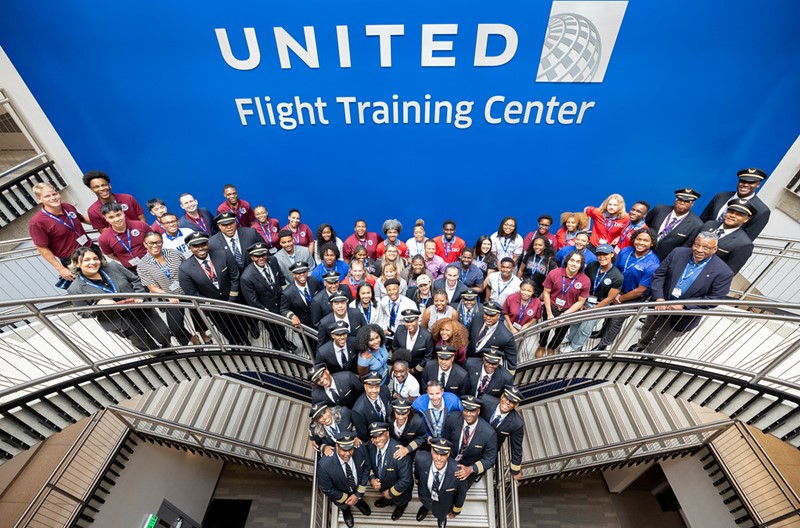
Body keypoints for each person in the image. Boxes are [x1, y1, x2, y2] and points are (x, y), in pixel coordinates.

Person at [630, 232, 734, 354]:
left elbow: (714, 299)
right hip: (660, 303)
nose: (699, 250)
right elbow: (659, 275)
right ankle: (642, 344)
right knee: (649, 327)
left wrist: (684, 306)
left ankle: (649, 355)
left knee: (663, 338)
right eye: (697, 245)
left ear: (715, 249)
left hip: (683, 315)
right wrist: (659, 298)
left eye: (706, 248)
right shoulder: (678, 253)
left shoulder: (723, 272)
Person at [68, 246, 173, 351]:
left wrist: (139, 295)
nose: (93, 262)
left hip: (140, 307)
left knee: (163, 333)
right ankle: (159, 356)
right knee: (144, 343)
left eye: (95, 258)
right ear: (77, 264)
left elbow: (135, 280)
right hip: (119, 320)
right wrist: (98, 306)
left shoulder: (113, 267)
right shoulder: (75, 289)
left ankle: (169, 350)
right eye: (87, 260)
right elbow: (83, 312)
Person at [178, 231, 250, 346]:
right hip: (212, 307)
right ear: (190, 247)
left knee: (242, 324)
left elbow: (235, 276)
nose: (200, 248)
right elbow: (192, 294)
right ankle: (235, 345)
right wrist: (214, 305)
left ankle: (246, 342)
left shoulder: (223, 254)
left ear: (208, 244)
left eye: (203, 244)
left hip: (234, 301)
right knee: (226, 329)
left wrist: (231, 299)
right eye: (195, 246)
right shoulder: (185, 269)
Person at [595, 228, 661, 351]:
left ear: (651, 243)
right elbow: (615, 270)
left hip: (634, 297)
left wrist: (620, 298)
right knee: (609, 313)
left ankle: (603, 345)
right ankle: (601, 332)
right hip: (617, 290)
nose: (641, 242)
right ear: (633, 239)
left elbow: (640, 290)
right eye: (638, 239)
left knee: (616, 319)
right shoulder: (625, 251)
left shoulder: (653, 263)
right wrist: (615, 292)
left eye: (645, 240)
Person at [136, 231, 199, 346]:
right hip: (170, 296)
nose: (155, 246)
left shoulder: (174, 253)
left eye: (158, 242)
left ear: (162, 242)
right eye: (151, 243)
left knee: (200, 317)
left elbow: (189, 269)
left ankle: (204, 336)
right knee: (175, 327)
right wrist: (168, 296)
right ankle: (193, 339)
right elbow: (152, 287)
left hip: (189, 290)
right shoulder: (142, 265)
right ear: (145, 244)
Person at [561, 244, 623, 352]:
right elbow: (583, 281)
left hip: (599, 305)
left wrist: (594, 309)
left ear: (612, 255)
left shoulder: (617, 276)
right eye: (599, 254)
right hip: (584, 300)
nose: (602, 257)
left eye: (605, 254)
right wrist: (582, 302)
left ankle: (575, 346)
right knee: (575, 322)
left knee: (585, 328)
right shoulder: (592, 265)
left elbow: (609, 299)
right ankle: (571, 337)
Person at [29, 182, 93, 282]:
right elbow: (42, 248)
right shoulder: (37, 222)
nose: (53, 198)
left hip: (90, 249)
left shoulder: (68, 207)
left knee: (109, 278)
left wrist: (108, 224)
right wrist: (60, 268)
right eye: (47, 196)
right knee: (93, 288)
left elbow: (82, 218)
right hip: (73, 259)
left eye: (54, 194)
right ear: (39, 199)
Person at [240, 241, 296, 351]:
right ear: (252, 257)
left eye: (263, 255)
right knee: (274, 330)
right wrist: (265, 312)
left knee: (282, 328)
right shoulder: (246, 277)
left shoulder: (273, 260)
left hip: (280, 302)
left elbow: (280, 277)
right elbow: (252, 301)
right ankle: (278, 348)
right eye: (257, 256)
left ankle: (284, 342)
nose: (261, 258)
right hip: (267, 309)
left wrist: (285, 297)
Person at [537, 251, 590, 357]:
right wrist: (549, 313)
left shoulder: (585, 280)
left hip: (568, 311)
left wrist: (565, 314)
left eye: (578, 262)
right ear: (567, 261)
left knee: (561, 332)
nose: (574, 264)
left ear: (581, 265)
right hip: (551, 307)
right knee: (544, 329)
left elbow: (581, 301)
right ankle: (542, 345)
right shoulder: (554, 273)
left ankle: (552, 347)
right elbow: (546, 292)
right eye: (572, 260)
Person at [316, 431, 372, 528]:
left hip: (357, 487)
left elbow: (367, 467)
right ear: (337, 446)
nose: (347, 454)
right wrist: (346, 498)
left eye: (350, 449)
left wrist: (357, 494)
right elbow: (326, 489)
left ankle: (359, 503)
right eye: (343, 450)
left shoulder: (360, 448)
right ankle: (346, 512)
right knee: (344, 506)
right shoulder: (324, 465)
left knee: (359, 499)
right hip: (340, 494)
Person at [700, 167, 771, 241]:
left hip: (723, 249)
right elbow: (703, 220)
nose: (745, 185)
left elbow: (747, 239)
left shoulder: (762, 210)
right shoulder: (721, 196)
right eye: (743, 181)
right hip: (700, 241)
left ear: (758, 185)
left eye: (751, 182)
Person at [443, 395, 497, 488]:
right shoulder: (452, 418)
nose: (468, 414)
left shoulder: (489, 433)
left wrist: (471, 469)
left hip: (470, 469)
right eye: (466, 410)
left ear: (478, 411)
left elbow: (489, 459)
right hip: (449, 462)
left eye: (472, 411)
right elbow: (445, 439)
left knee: (460, 491)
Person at [414, 438, 468, 528]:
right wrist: (417, 482)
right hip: (425, 496)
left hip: (444, 503)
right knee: (426, 503)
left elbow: (461, 494)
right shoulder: (420, 459)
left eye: (443, 454)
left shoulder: (458, 471)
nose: (439, 458)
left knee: (442, 512)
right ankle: (426, 508)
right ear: (431, 450)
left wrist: (456, 511)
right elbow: (417, 475)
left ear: (448, 454)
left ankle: (442, 518)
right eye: (436, 453)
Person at [366, 421, 413, 521]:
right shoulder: (371, 446)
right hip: (383, 487)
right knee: (387, 497)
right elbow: (369, 465)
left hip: (400, 492)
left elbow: (406, 480)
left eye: (380, 435)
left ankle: (400, 507)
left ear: (387, 433)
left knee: (401, 502)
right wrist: (372, 479)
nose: (377, 440)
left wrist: (391, 493)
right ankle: (388, 501)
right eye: (374, 437)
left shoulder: (399, 452)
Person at [692, 199, 754, 273]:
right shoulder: (709, 225)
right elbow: (689, 245)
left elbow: (729, 271)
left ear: (746, 219)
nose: (732, 216)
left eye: (739, 215)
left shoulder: (744, 243)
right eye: (731, 212)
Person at [480, 386, 525, 480]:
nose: (507, 402)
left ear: (516, 405)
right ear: (501, 396)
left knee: (480, 469)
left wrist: (515, 470)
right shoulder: (485, 400)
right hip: (473, 439)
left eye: (512, 402)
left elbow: (516, 447)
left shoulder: (517, 423)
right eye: (506, 398)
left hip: (490, 449)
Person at [647, 188, 704, 262]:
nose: (682, 203)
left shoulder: (697, 224)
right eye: (679, 199)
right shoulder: (659, 209)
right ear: (675, 200)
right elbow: (645, 226)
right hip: (642, 250)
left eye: (687, 201)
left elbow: (685, 248)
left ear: (692, 204)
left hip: (663, 259)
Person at [466, 301, 518, 373]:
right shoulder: (477, 317)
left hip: (484, 368)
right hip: (467, 360)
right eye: (486, 314)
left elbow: (512, 360)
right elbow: (467, 335)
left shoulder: (505, 336)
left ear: (498, 315)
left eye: (492, 315)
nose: (488, 317)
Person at [96, 203, 149, 269]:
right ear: (105, 218)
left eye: (118, 215)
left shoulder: (141, 225)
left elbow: (154, 239)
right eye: (111, 217)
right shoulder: (103, 238)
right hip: (131, 270)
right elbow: (110, 254)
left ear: (123, 213)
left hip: (152, 262)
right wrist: (124, 260)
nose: (117, 219)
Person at [279, 261, 323, 328]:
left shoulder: (314, 281)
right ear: (293, 275)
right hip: (304, 325)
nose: (302, 275)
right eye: (298, 273)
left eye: (304, 272)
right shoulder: (287, 293)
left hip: (320, 320)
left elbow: (321, 295)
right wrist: (292, 316)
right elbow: (283, 309)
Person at [351, 371, 393, 440]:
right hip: (376, 440)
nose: (374, 391)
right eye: (370, 387)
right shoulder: (358, 411)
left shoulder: (385, 390)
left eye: (377, 387)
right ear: (365, 387)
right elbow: (364, 435)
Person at [391, 308, 435, 374]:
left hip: (419, 371)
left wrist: (415, 370)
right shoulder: (400, 330)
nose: (409, 324)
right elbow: (395, 347)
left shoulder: (427, 336)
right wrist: (402, 365)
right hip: (402, 368)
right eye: (406, 322)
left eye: (411, 321)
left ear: (417, 320)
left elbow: (428, 356)